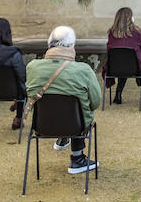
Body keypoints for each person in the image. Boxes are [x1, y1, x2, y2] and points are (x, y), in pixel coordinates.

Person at [26, 25, 103, 174]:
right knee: (79, 108)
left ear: (49, 45)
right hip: (76, 125)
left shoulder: (32, 67)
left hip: (42, 124)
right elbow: (95, 102)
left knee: (60, 105)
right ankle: (77, 158)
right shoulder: (83, 70)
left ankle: (63, 138)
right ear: (72, 46)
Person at [102, 7, 141, 105]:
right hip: (134, 68)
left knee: (124, 61)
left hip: (114, 68)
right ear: (131, 18)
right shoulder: (137, 32)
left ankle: (118, 93)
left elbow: (108, 49)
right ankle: (139, 82)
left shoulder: (112, 32)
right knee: (135, 62)